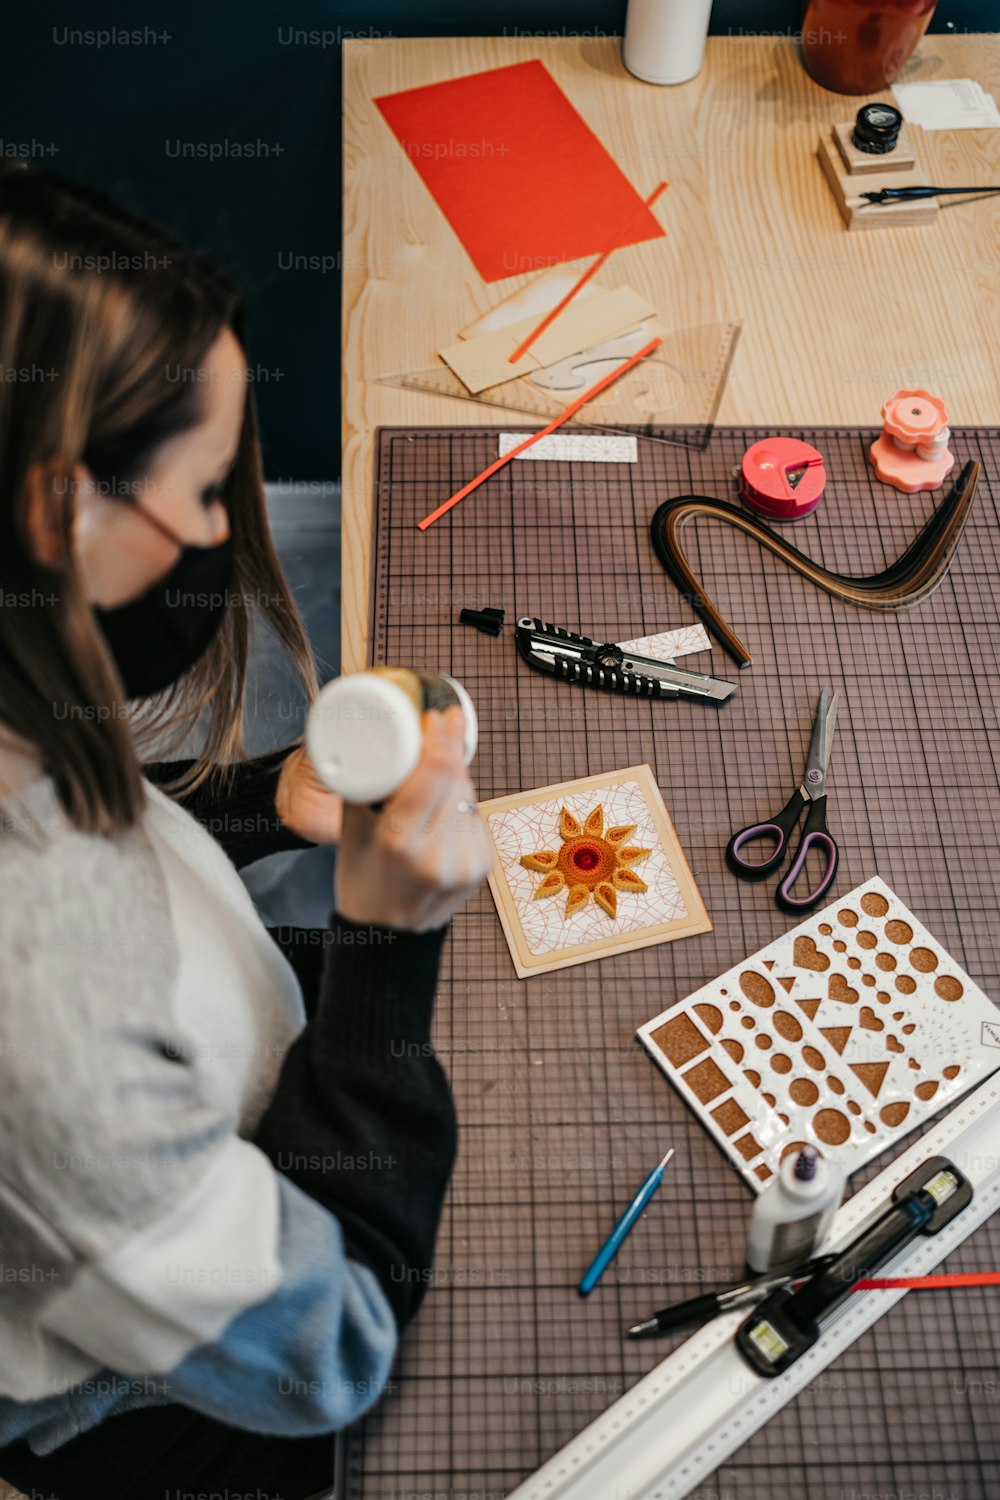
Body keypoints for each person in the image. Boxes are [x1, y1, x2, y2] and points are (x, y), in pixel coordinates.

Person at [0, 163, 492, 1500]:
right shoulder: (56, 1052)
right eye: (207, 491)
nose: (226, 530)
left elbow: (85, 817)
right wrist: (387, 955)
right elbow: (329, 1350)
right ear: (60, 509)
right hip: (165, 1410)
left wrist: (244, 797)